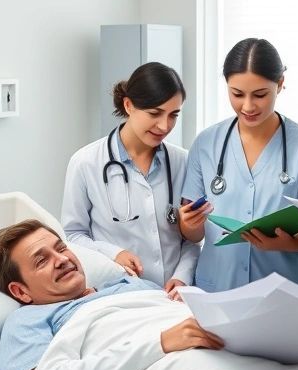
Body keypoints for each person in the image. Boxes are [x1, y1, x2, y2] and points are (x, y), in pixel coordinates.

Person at [0, 219, 223, 370]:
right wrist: (160, 343)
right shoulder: (27, 319)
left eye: (61, 248)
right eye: (41, 261)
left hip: (219, 348)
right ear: (21, 292)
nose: (62, 259)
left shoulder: (131, 285)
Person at [179, 39, 298, 291]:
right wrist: (188, 225)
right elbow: (193, 234)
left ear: (280, 84)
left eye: (260, 95)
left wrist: (283, 244)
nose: (247, 106)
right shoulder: (206, 143)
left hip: (282, 290)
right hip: (217, 287)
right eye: (237, 94)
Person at [61, 62, 199, 295]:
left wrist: (182, 277)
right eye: (154, 113)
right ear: (128, 105)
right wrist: (112, 253)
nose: (164, 125)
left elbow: (192, 239)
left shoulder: (183, 162)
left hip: (175, 296)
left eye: (173, 115)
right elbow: (73, 235)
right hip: (118, 292)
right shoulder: (86, 162)